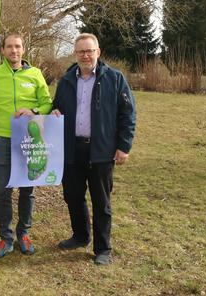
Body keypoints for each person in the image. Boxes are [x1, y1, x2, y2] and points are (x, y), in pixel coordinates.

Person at [52, 33, 136, 265]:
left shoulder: (115, 79)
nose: (86, 55)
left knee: (101, 201)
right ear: (75, 54)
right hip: (72, 149)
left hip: (101, 150)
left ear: (98, 52)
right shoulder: (67, 80)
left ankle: (103, 248)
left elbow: (128, 115)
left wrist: (123, 146)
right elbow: (56, 106)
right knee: (73, 196)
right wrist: (54, 112)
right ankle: (80, 236)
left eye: (90, 51)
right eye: (81, 52)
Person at [0, 33, 52, 258]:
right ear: (3, 50)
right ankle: (6, 238)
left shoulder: (35, 74)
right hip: (2, 138)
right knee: (3, 191)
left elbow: (47, 103)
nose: (13, 51)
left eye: (17, 47)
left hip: (28, 139)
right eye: (9, 47)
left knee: (28, 189)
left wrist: (33, 111)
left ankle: (24, 233)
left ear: (23, 49)